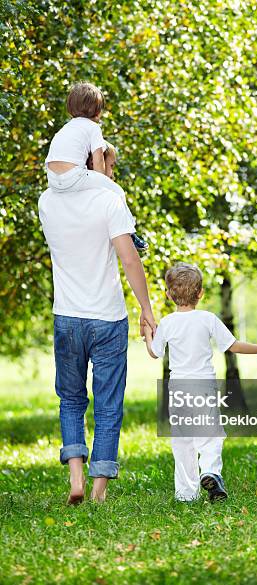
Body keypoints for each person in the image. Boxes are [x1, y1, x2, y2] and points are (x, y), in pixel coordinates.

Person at [38, 179, 156, 504]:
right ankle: (98, 492)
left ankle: (76, 478)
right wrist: (147, 309)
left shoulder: (47, 201)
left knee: (71, 400)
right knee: (108, 406)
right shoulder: (110, 201)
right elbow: (130, 259)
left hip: (67, 317)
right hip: (108, 318)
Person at [143, 263, 257, 503]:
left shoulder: (167, 323)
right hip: (203, 387)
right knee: (210, 436)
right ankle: (210, 471)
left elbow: (154, 353)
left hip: (178, 390)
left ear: (168, 294)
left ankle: (186, 494)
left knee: (182, 441)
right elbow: (233, 345)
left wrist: (147, 333)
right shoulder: (207, 319)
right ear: (200, 293)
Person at [45, 81, 147, 252]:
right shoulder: (93, 128)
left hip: (53, 180)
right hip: (73, 175)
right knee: (117, 191)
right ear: (97, 110)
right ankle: (130, 232)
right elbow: (98, 158)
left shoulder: (65, 128)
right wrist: (102, 184)